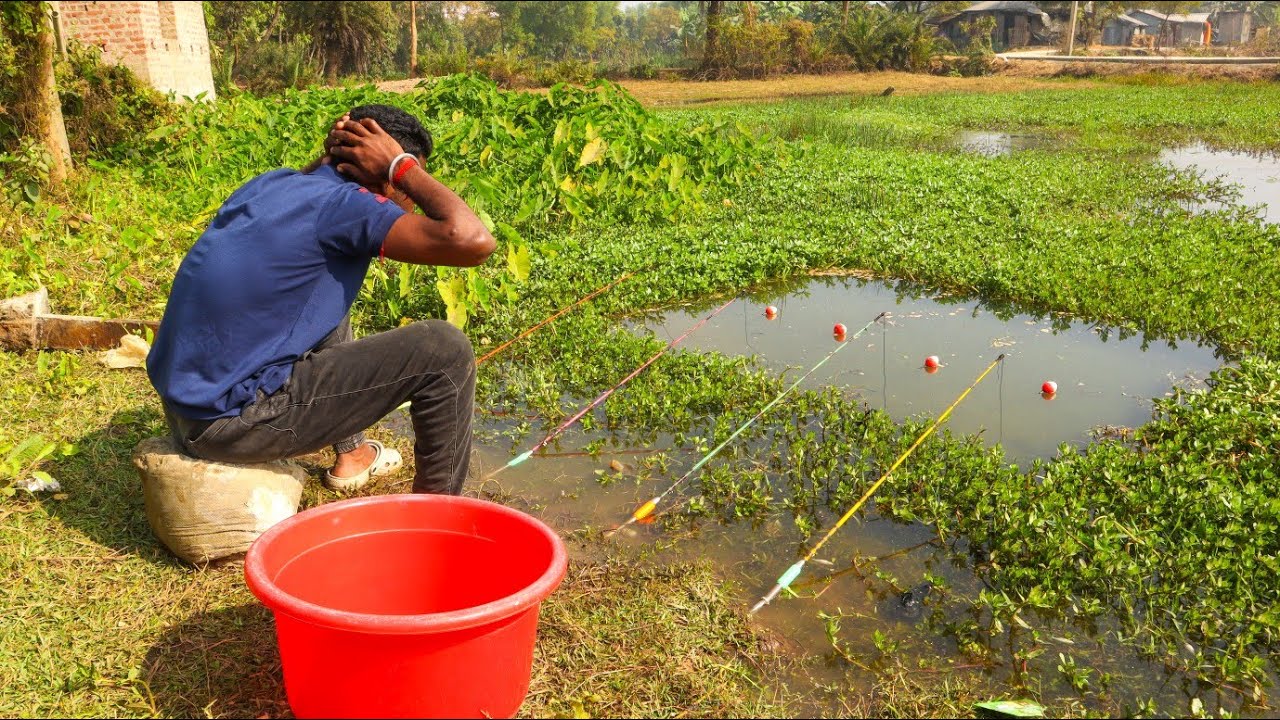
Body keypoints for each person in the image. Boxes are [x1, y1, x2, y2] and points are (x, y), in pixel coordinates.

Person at [147, 104, 495, 495]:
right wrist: (401, 166)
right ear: (385, 174)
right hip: (229, 426)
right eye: (410, 182)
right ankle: (437, 517)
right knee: (445, 350)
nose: (411, 201)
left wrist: (336, 153)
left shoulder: (275, 183)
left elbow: (317, 190)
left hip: (185, 410)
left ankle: (353, 454)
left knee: (326, 292)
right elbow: (474, 242)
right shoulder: (348, 207)